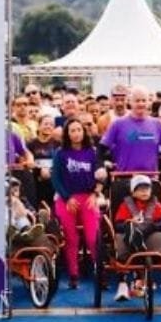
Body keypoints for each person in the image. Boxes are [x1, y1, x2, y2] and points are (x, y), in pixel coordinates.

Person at [51, 118, 103, 289]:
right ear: (67, 134)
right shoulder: (60, 153)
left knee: (92, 237)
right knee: (71, 238)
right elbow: (55, 179)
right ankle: (74, 275)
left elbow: (101, 176)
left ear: (84, 131)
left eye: (79, 130)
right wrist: (67, 197)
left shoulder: (92, 152)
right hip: (67, 199)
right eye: (72, 130)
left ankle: (100, 272)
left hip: (88, 198)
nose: (76, 133)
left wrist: (95, 193)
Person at [111, 174, 161, 301]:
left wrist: (149, 224)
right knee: (128, 227)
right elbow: (117, 224)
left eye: (147, 188)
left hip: (150, 233)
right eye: (140, 189)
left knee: (147, 226)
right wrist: (130, 222)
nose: (144, 192)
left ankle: (136, 238)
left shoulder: (156, 205)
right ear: (133, 192)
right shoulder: (126, 205)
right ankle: (135, 238)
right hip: (129, 229)